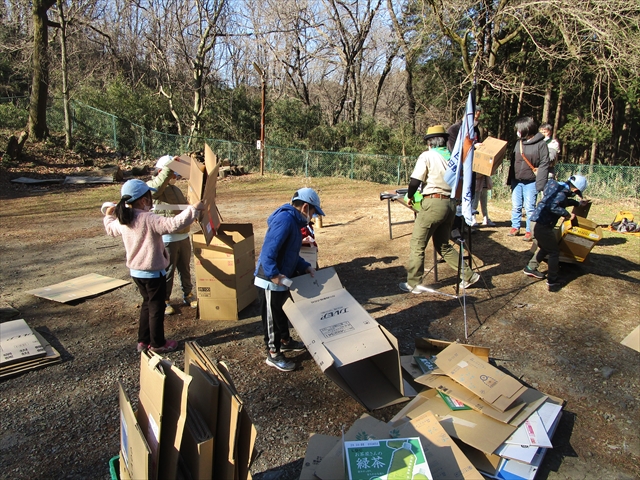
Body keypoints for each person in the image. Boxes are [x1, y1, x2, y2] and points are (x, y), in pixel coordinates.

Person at [103, 179, 202, 353]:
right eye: (149, 196)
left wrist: (109, 214)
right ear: (143, 200)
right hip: (153, 273)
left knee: (147, 305)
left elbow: (110, 229)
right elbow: (173, 224)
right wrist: (193, 209)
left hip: (136, 273)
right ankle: (158, 343)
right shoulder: (148, 218)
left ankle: (143, 341)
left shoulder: (125, 218)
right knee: (156, 309)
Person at [399, 125, 480, 294]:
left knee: (417, 244)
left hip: (433, 204)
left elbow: (415, 180)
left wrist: (411, 195)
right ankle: (469, 275)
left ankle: (413, 283)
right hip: (450, 205)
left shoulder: (427, 156)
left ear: (430, 142)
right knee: (443, 245)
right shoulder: (452, 157)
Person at [254, 188, 324, 372]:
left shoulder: (294, 221)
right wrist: (274, 274)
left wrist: (304, 266)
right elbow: (269, 251)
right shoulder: (285, 221)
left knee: (281, 313)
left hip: (281, 278)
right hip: (270, 280)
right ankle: (273, 353)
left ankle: (285, 340)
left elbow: (291, 253)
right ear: (305, 207)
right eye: (313, 212)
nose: (312, 217)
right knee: (271, 318)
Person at [147, 155, 197, 315]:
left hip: (183, 236)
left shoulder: (175, 189)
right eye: (173, 173)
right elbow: (155, 189)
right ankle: (165, 300)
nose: (175, 176)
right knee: (168, 271)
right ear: (162, 171)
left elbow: (184, 208)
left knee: (185, 269)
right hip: (167, 238)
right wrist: (170, 167)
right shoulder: (152, 188)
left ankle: (188, 295)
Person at [523, 175, 589, 291]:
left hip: (535, 222)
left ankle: (530, 267)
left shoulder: (555, 186)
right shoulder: (561, 194)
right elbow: (553, 206)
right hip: (542, 226)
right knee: (554, 251)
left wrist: (577, 204)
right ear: (575, 190)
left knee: (545, 247)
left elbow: (561, 201)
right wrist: (568, 215)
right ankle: (552, 280)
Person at [507, 117, 550, 241]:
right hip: (517, 180)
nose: (518, 132)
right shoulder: (519, 142)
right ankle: (515, 227)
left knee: (530, 207)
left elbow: (544, 163)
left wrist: (540, 183)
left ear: (527, 129)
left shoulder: (541, 144)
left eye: (520, 129)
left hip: (531, 181)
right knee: (516, 206)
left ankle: (529, 230)